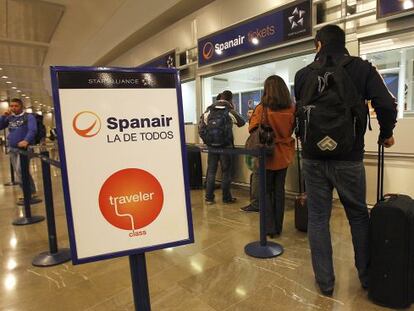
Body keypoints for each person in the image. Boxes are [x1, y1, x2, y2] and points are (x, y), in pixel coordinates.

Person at [294, 24, 397, 296]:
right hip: (349, 157)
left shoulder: (302, 75)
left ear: (318, 45)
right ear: (343, 43)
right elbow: (386, 104)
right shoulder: (362, 69)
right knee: (358, 216)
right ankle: (366, 277)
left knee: (317, 218)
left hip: (313, 157)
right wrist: (386, 134)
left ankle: (325, 283)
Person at [248, 75, 295, 235]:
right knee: (279, 190)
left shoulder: (262, 108)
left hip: (266, 154)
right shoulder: (291, 108)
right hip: (285, 153)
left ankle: (269, 228)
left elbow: (252, 128)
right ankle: (279, 227)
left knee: (266, 191)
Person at [201, 90, 245, 204]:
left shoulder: (209, 110)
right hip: (226, 146)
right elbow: (242, 123)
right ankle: (226, 198)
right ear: (230, 99)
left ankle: (209, 198)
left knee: (211, 171)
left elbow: (201, 128)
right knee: (226, 171)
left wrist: (208, 141)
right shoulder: (229, 110)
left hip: (211, 147)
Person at [0, 98, 38, 202]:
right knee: (19, 171)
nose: (13, 108)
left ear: (21, 106)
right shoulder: (10, 118)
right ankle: (31, 191)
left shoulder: (28, 117)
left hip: (24, 149)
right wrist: (3, 116)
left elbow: (33, 130)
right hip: (13, 149)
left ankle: (27, 193)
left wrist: (26, 140)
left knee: (21, 170)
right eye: (11, 106)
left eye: (16, 106)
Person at [241, 107, 259, 213]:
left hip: (258, 149)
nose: (250, 114)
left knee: (256, 174)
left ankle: (256, 203)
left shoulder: (261, 113)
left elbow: (251, 129)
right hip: (282, 152)